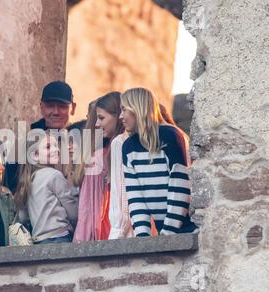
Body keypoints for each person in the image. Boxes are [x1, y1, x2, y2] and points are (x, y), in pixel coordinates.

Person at [121, 88, 197, 237]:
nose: (120, 116)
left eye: (124, 109)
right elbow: (135, 197)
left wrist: (167, 233)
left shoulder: (171, 136)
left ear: (137, 108)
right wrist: (143, 236)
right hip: (162, 232)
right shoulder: (128, 147)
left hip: (186, 230)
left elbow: (179, 186)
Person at [73, 92, 124, 241]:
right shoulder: (99, 157)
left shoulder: (109, 154)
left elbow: (88, 213)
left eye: (101, 118)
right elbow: (89, 212)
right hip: (109, 236)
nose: (96, 123)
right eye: (96, 118)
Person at [15, 133, 78, 244]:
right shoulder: (55, 175)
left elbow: (23, 217)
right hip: (60, 236)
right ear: (35, 155)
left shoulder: (27, 180)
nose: (55, 149)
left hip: (38, 240)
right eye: (48, 147)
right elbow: (72, 212)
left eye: (55, 145)